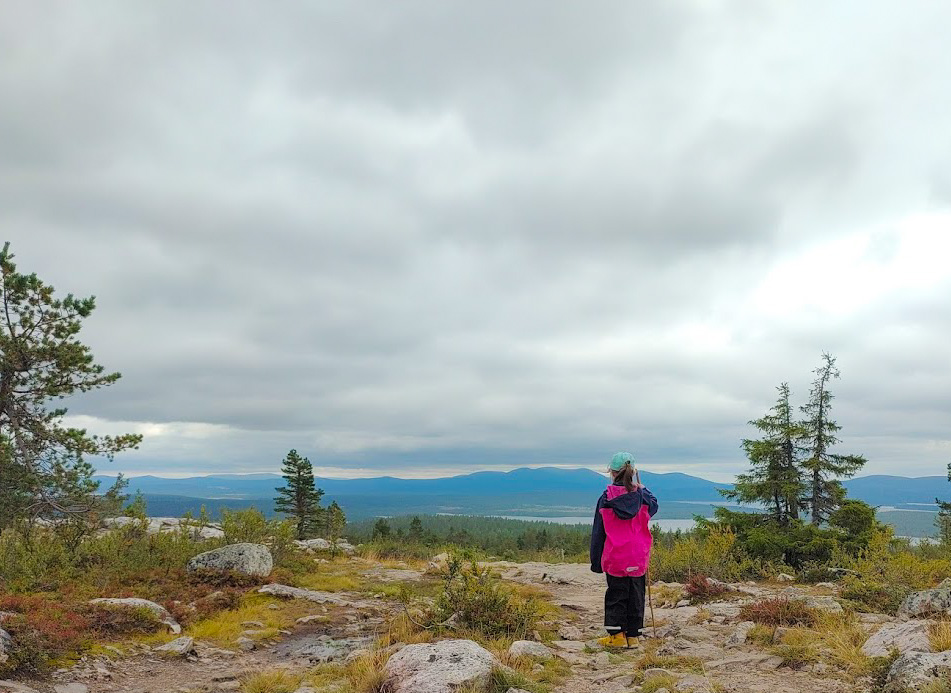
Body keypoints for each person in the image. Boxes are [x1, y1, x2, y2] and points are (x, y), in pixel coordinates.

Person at [589, 451, 659, 648]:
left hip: (616, 555)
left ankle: (617, 636)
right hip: (638, 555)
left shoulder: (606, 498)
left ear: (611, 472)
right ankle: (633, 636)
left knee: (616, 594)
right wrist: (644, 489)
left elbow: (598, 532)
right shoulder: (643, 497)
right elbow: (654, 506)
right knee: (636, 594)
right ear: (633, 472)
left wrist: (596, 561)